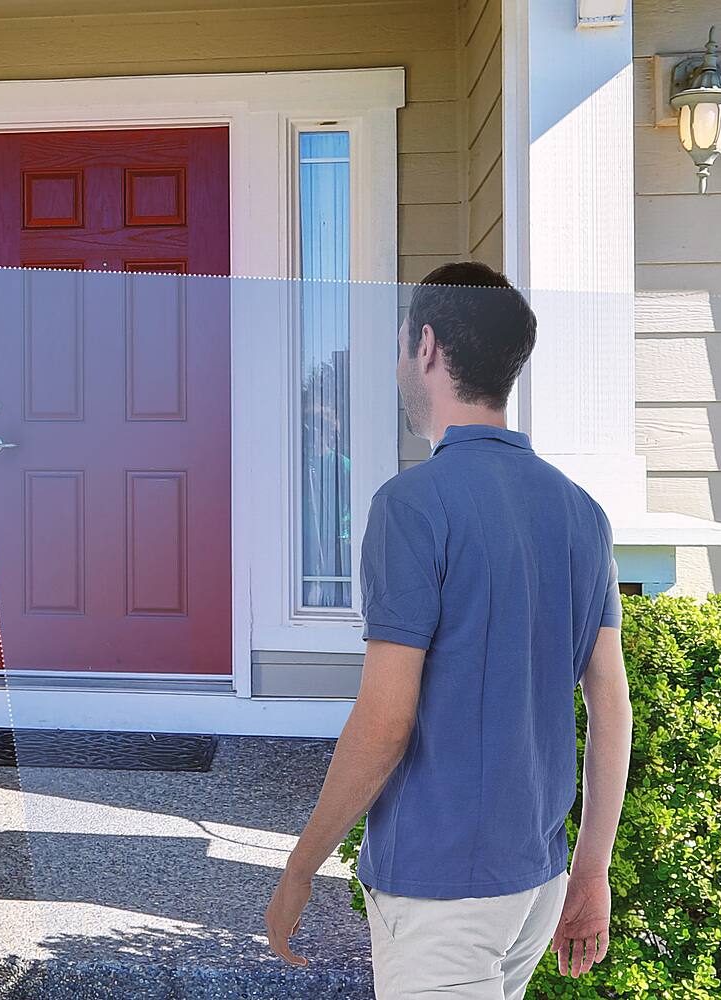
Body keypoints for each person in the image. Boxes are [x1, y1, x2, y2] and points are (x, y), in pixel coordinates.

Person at [264, 261, 633, 999]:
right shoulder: (582, 513)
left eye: (403, 343)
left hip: (444, 892)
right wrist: (589, 868)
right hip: (536, 880)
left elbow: (386, 719)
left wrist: (299, 869)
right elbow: (611, 708)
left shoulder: (411, 505)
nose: (401, 361)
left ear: (427, 345)